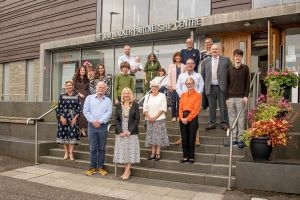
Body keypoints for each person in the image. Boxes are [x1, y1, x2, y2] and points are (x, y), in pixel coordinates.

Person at [83, 81, 112, 176]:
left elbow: (109, 113)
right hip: (92, 126)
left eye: (103, 88)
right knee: (93, 148)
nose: (101, 89)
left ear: (105, 90)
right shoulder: (89, 98)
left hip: (103, 126)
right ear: (96, 88)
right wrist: (93, 121)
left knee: (102, 148)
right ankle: (92, 167)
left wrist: (100, 121)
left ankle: (100, 167)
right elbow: (86, 111)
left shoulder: (108, 100)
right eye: (99, 87)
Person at [201, 44, 233, 131]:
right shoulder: (205, 61)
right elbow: (203, 76)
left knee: (223, 106)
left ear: (219, 50)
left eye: (216, 49)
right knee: (211, 106)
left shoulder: (226, 60)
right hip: (210, 87)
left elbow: (231, 74)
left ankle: (224, 123)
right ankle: (212, 123)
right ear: (210, 51)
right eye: (213, 49)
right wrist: (203, 88)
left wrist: (230, 86)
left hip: (222, 87)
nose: (214, 51)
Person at [113, 87, 140, 180]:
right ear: (122, 95)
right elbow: (116, 119)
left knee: (130, 151)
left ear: (131, 94)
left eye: (128, 93)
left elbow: (137, 119)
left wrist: (129, 131)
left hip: (131, 132)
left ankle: (127, 171)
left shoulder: (135, 105)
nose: (126, 95)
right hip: (120, 132)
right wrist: (120, 131)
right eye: (124, 93)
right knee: (124, 152)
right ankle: (128, 170)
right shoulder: (118, 105)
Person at [175, 58, 204, 145]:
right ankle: (182, 137)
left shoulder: (198, 75)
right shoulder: (181, 76)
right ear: (186, 65)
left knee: (194, 119)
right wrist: (183, 96)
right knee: (182, 119)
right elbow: (177, 87)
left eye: (192, 63)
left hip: (194, 101)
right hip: (184, 101)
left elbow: (201, 86)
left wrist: (196, 96)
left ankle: (197, 138)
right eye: (188, 63)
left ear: (194, 65)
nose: (190, 65)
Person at [226, 49, 250, 148]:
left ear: (241, 57)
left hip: (241, 98)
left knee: (240, 120)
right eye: (236, 55)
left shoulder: (245, 68)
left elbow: (248, 83)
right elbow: (227, 84)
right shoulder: (229, 69)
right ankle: (233, 140)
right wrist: (227, 98)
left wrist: (246, 96)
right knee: (232, 120)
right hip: (230, 98)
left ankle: (241, 140)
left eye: (239, 55)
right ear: (233, 57)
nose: (238, 57)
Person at [143, 79, 169, 161]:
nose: (154, 88)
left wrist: (155, 117)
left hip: (159, 119)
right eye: (153, 86)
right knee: (151, 136)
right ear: (151, 87)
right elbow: (144, 108)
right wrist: (149, 117)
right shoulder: (147, 96)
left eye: (156, 86)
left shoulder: (162, 96)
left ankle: (158, 153)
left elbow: (163, 108)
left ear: (159, 87)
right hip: (149, 119)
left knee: (158, 136)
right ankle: (152, 153)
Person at [56, 80, 81, 161]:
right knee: (64, 135)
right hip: (63, 117)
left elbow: (79, 108)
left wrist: (75, 118)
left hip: (73, 118)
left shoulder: (76, 96)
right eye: (67, 86)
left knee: (72, 135)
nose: (69, 87)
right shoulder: (62, 96)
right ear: (65, 87)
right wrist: (61, 117)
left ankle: (71, 153)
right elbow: (58, 108)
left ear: (72, 86)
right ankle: (66, 152)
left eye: (70, 85)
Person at [178, 78, 201, 164]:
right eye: (188, 84)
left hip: (192, 117)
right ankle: (185, 156)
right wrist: (181, 118)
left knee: (192, 137)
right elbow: (180, 108)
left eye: (191, 83)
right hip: (182, 117)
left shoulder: (198, 95)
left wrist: (187, 119)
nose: (189, 85)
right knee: (184, 138)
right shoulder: (183, 95)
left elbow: (196, 109)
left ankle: (191, 157)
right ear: (186, 85)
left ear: (194, 83)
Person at [167, 52, 186, 122]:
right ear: (174, 58)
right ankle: (174, 116)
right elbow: (169, 77)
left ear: (181, 58)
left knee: (180, 103)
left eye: (179, 56)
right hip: (173, 87)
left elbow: (186, 77)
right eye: (176, 56)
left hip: (181, 88)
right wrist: (169, 86)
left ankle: (179, 116)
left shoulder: (184, 66)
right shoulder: (171, 66)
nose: (178, 58)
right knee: (173, 102)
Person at [73, 66, 90, 137]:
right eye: (81, 70)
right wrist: (79, 94)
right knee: (79, 113)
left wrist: (89, 96)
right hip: (78, 97)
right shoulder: (75, 78)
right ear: (79, 71)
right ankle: (79, 130)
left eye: (84, 70)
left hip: (85, 97)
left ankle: (83, 129)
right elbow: (73, 88)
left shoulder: (87, 79)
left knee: (84, 113)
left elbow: (88, 88)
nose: (82, 71)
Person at [200, 38, 213, 110]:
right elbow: (200, 61)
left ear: (212, 43)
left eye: (209, 42)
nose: (208, 43)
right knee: (204, 87)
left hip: (211, 71)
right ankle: (204, 105)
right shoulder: (202, 52)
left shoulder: (213, 50)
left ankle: (210, 105)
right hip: (203, 70)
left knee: (210, 88)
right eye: (207, 42)